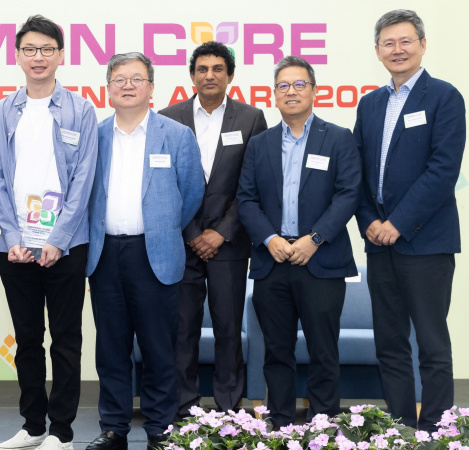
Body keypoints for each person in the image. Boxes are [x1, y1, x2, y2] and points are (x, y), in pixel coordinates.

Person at [0, 14, 98, 450]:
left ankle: (62, 433)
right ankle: (33, 427)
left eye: (47, 49)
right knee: (28, 339)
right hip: (14, 247)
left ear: (61, 55)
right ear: (17, 56)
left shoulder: (81, 109)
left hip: (66, 245)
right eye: (29, 49)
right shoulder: (2, 111)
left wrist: (57, 240)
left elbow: (84, 179)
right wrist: (14, 239)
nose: (38, 57)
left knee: (66, 340)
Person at [84, 52, 204, 450]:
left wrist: (161, 226)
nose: (128, 85)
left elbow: (191, 194)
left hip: (155, 253)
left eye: (137, 78)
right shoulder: (95, 136)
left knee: (158, 347)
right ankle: (115, 428)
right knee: (111, 347)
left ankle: (159, 428)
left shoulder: (176, 134)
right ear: (108, 88)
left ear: (152, 87)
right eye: (119, 79)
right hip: (105, 255)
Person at [353, 9, 466, 431]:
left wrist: (397, 223)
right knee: (391, 344)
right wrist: (369, 220)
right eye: (388, 43)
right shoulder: (370, 104)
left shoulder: (444, 97)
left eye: (405, 41)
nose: (397, 49)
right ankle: (399, 428)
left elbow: (443, 171)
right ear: (378, 50)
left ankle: (437, 430)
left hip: (426, 242)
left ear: (422, 44)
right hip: (379, 243)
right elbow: (358, 174)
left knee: (433, 345)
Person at [236, 56, 360, 428]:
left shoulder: (338, 137)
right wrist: (269, 238)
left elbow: (348, 194)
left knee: (324, 350)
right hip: (272, 260)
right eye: (283, 86)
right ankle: (281, 423)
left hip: (320, 261)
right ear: (274, 94)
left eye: (299, 84)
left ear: (314, 90)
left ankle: (324, 425)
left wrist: (315, 239)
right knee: (276, 351)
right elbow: (246, 198)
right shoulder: (260, 144)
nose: (291, 92)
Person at [158, 41, 267, 417]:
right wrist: (192, 234)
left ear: (230, 75)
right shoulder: (167, 118)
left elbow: (253, 185)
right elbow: (164, 183)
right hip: (181, 241)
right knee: (182, 329)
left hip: (230, 243)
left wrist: (221, 231)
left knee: (227, 327)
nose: (209, 75)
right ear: (191, 75)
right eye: (202, 69)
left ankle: (228, 408)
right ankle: (185, 406)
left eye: (217, 69)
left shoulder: (252, 118)